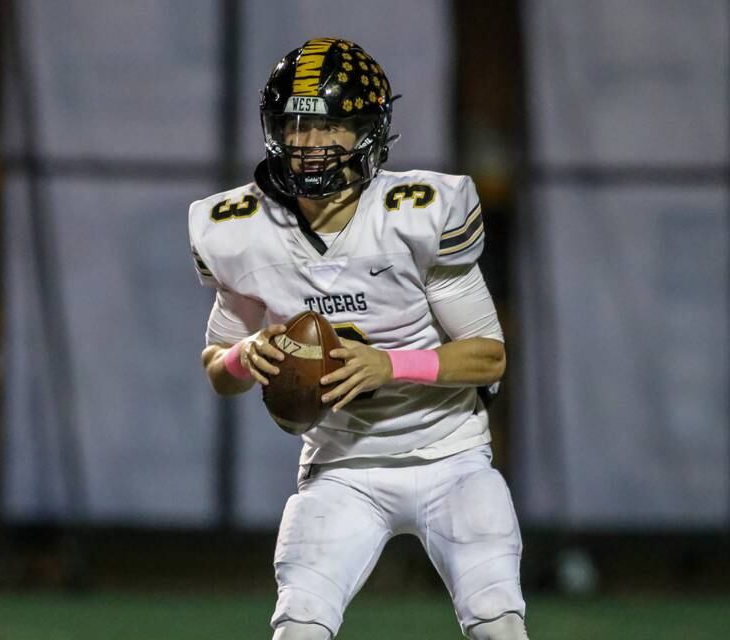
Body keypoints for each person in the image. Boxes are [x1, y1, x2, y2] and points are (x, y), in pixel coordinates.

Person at [189, 38, 529, 640]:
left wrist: (389, 365)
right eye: (296, 125)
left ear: (368, 131)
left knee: (498, 623)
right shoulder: (241, 229)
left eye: (329, 126)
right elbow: (218, 366)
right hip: (341, 467)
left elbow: (489, 355)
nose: (310, 142)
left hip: (449, 456)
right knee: (298, 627)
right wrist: (247, 356)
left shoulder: (416, 212)